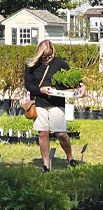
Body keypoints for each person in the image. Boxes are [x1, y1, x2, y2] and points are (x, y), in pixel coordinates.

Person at [24, 39, 86, 172]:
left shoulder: (58, 63)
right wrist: (40, 90)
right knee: (43, 133)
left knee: (61, 133)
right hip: (39, 102)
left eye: (48, 56)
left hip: (56, 102)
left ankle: (70, 157)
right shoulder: (31, 65)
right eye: (44, 56)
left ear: (52, 52)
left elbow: (72, 76)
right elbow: (28, 84)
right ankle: (46, 164)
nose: (46, 59)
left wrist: (81, 85)